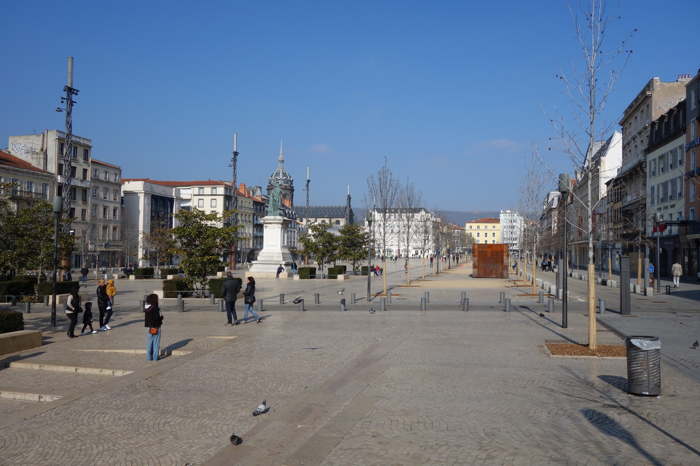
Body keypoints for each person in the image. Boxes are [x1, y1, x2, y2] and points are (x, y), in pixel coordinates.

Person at [144, 294, 163, 361]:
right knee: (156, 343)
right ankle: (155, 357)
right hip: (156, 327)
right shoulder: (155, 308)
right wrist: (161, 318)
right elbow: (157, 318)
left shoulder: (147, 308)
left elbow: (147, 319)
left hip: (150, 327)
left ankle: (148, 357)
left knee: (149, 343)